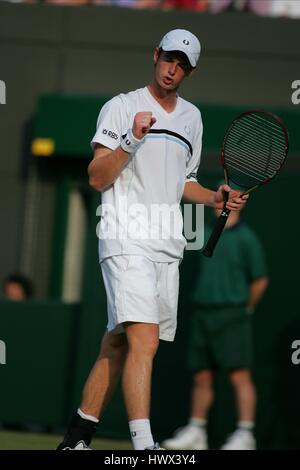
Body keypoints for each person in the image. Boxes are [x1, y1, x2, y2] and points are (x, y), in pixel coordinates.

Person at [57, 29, 248, 450]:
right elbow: (96, 176)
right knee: (143, 338)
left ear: (190, 70)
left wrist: (215, 196)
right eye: (169, 58)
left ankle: (75, 439)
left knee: (119, 343)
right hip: (125, 235)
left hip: (167, 245)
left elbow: (186, 183)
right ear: (156, 54)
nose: (172, 68)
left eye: (182, 64)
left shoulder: (192, 119)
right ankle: (146, 447)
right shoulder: (122, 107)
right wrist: (132, 138)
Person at [162, 205, 268, 450]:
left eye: (228, 200)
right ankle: (197, 430)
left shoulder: (246, 239)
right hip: (202, 313)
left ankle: (245, 434)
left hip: (232, 315)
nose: (221, 205)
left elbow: (260, 279)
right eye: (219, 200)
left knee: (239, 375)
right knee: (202, 375)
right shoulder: (205, 232)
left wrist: (245, 308)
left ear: (241, 204)